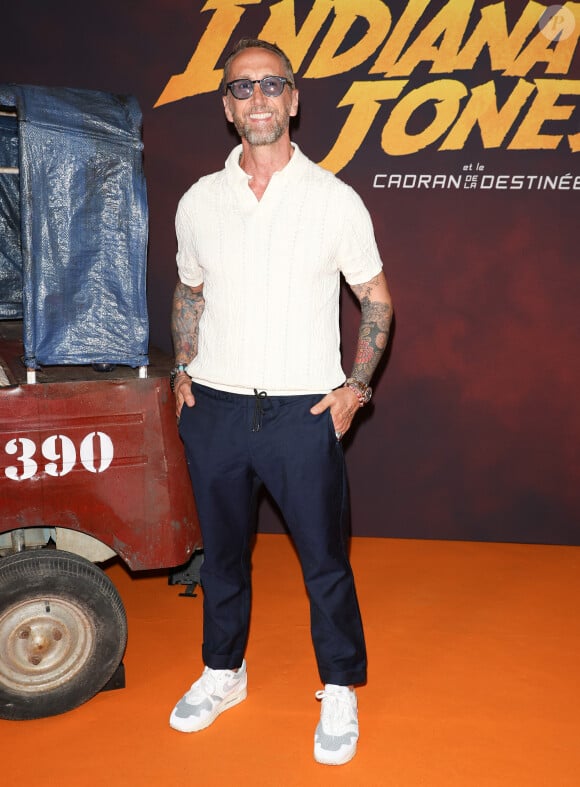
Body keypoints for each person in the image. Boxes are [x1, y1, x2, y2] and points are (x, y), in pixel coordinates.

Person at [168, 38, 392, 766]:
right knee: (223, 557)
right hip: (218, 409)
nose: (257, 99)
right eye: (242, 89)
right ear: (227, 108)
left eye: (271, 86)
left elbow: (376, 300)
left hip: (304, 412)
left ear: (293, 99)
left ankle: (339, 684)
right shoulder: (200, 199)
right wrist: (181, 367)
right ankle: (223, 672)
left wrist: (357, 387)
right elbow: (189, 289)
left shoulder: (335, 200)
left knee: (325, 561)